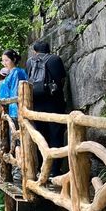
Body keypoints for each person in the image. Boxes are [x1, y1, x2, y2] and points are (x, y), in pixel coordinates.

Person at [25, 39, 67, 176]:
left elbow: (28, 79)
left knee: (40, 135)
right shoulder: (55, 59)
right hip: (54, 102)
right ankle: (55, 170)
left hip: (36, 104)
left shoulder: (30, 61)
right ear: (48, 49)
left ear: (35, 51)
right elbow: (61, 79)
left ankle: (42, 168)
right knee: (56, 135)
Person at [0, 49, 28, 120]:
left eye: (6, 60)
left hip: (16, 109)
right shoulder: (11, 73)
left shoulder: (16, 73)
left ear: (14, 60)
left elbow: (15, 92)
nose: (4, 63)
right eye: (3, 61)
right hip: (12, 108)